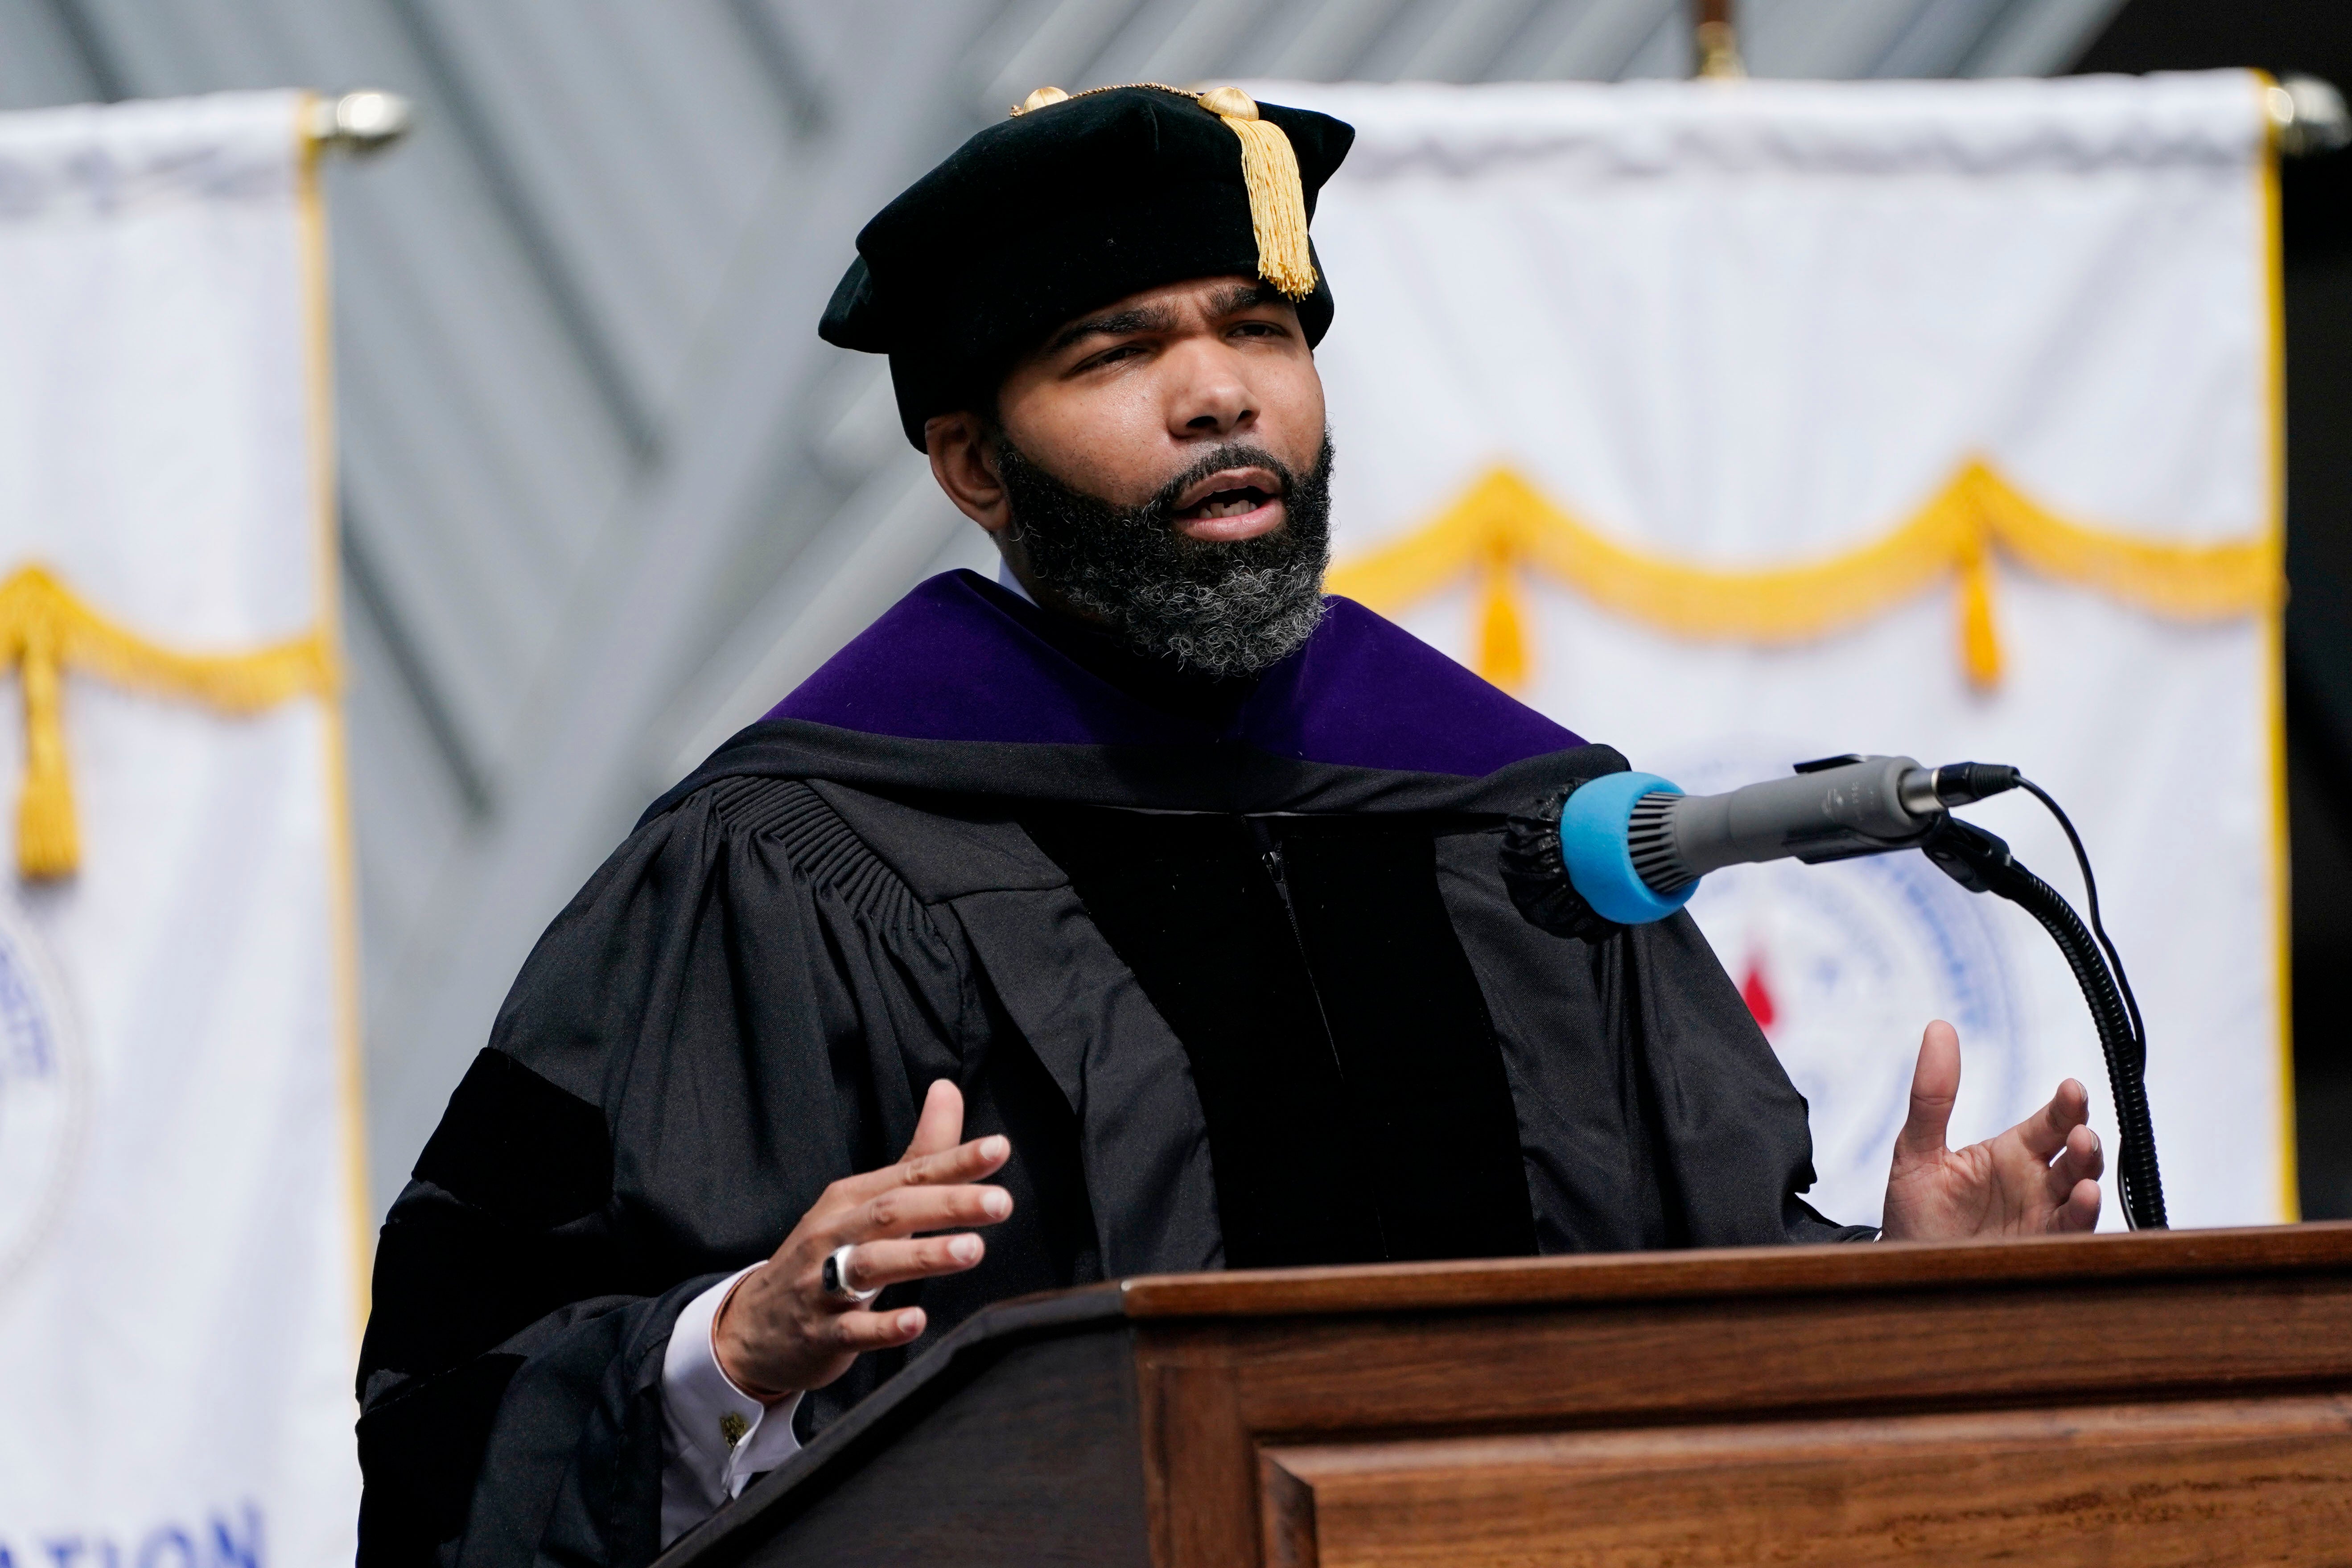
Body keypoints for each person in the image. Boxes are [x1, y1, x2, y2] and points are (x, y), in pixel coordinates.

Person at [353, 84, 2106, 1568]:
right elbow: (448, 1407)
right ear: (974, 464)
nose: (1218, 394)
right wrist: (728, 1346)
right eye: (1118, 352)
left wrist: (1887, 1298)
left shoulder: (1513, 819)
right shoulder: (795, 863)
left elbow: (1669, 1329)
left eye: (1257, 330)